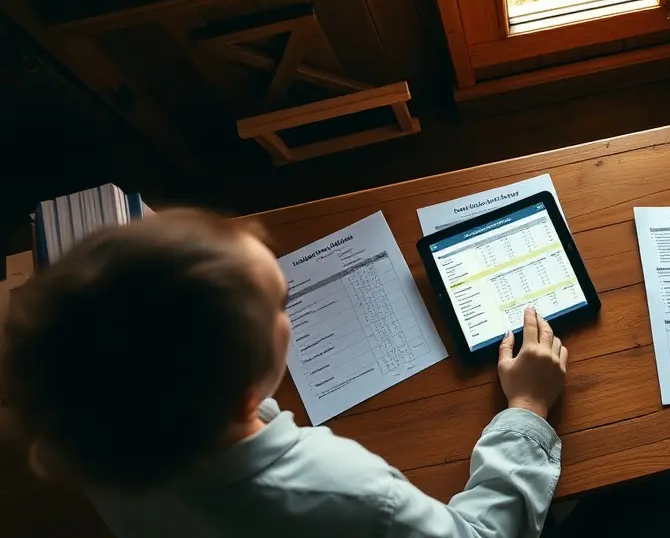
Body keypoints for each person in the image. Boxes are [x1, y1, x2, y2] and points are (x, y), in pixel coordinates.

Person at [0, 209, 568, 538]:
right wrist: (526, 411)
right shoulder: (344, 489)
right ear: (246, 387)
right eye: (281, 303)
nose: (289, 311)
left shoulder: (98, 428)